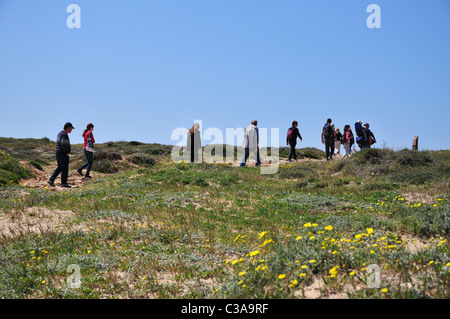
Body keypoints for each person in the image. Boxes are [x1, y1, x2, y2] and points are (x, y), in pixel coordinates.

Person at [48, 122, 74, 188]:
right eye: (71, 128)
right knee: (65, 168)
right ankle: (64, 183)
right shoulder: (64, 134)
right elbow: (63, 144)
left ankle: (51, 179)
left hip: (58, 152)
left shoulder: (60, 133)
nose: (71, 130)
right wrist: (66, 152)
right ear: (68, 127)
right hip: (63, 153)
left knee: (60, 167)